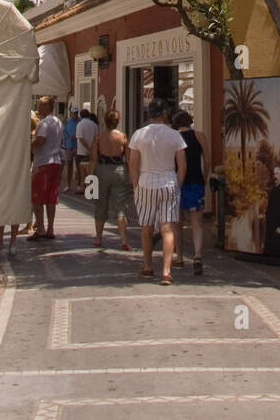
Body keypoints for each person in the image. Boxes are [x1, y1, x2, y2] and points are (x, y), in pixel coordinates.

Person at [128, 98, 186, 284]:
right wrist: (178, 183)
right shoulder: (175, 135)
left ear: (149, 114)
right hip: (168, 180)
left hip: (146, 181)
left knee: (146, 227)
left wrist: (135, 185)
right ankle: (166, 271)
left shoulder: (139, 135)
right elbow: (182, 165)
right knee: (167, 228)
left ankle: (148, 265)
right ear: (165, 114)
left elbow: (133, 163)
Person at [89, 108, 135, 250]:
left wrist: (90, 179)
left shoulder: (98, 137)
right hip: (119, 171)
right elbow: (129, 159)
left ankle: (98, 237)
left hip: (101, 170)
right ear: (117, 122)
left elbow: (93, 159)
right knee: (120, 207)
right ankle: (123, 239)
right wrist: (133, 178)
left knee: (100, 205)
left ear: (105, 121)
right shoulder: (123, 137)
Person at [172, 110, 208, 274]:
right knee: (197, 222)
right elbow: (206, 160)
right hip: (196, 181)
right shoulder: (199, 136)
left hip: (177, 183)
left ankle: (179, 257)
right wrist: (205, 177)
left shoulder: (173, 138)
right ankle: (198, 255)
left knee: (177, 223)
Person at [29, 96, 63, 241]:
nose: (39, 107)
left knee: (37, 197)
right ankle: (50, 228)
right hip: (56, 161)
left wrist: (29, 146)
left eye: (42, 105)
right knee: (51, 197)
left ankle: (41, 228)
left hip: (43, 162)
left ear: (49, 107)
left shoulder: (44, 123)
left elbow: (40, 141)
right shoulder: (58, 122)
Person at [75, 107, 99, 176]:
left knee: (83, 175)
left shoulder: (80, 125)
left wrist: (88, 148)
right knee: (90, 174)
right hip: (92, 153)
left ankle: (82, 186)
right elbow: (96, 138)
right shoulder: (94, 125)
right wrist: (92, 149)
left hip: (82, 152)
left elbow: (81, 139)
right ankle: (89, 186)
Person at [61, 107, 80, 192]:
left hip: (78, 147)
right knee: (69, 166)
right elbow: (64, 134)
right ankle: (68, 185)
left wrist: (77, 136)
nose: (75, 114)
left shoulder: (80, 121)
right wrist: (69, 137)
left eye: (76, 113)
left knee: (79, 166)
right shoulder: (67, 122)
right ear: (71, 113)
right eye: (74, 113)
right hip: (68, 147)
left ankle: (79, 185)